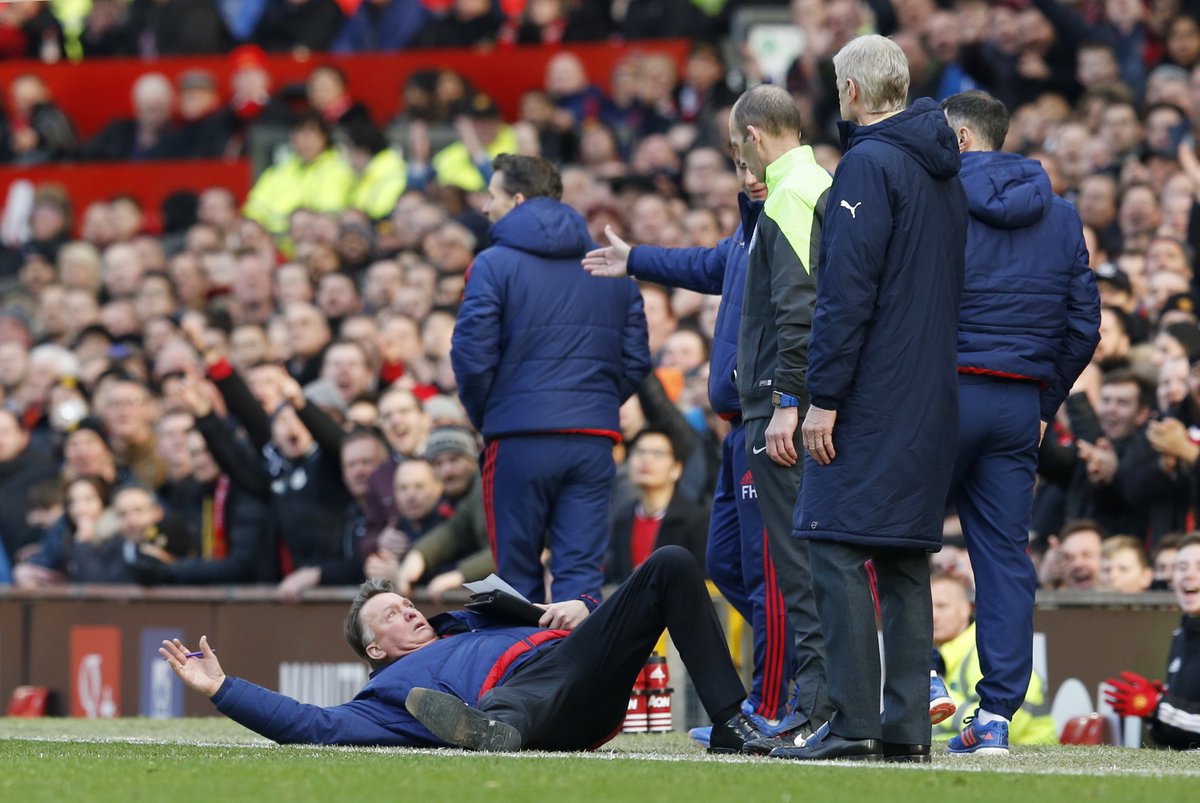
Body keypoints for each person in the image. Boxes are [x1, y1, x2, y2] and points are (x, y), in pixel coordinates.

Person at [772, 35, 968, 763]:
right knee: (905, 558)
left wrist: (823, 397)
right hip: (930, 389)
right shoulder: (944, 169)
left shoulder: (867, 163)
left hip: (872, 391)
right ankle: (908, 730)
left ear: (851, 91)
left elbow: (846, 293)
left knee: (831, 541)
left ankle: (852, 721)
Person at [582, 157, 803, 737]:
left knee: (771, 575)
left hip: (768, 419)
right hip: (736, 426)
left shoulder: (793, 224)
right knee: (726, 561)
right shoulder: (745, 237)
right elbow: (703, 264)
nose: (749, 176)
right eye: (741, 165)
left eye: (757, 163)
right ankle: (808, 667)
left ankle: (772, 708)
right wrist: (635, 258)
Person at [162, 546, 769, 753]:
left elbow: (571, 626)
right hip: (531, 705)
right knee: (515, 695)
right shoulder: (387, 694)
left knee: (672, 564)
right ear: (374, 649)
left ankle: (728, 722)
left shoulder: (479, 621)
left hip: (580, 669)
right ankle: (492, 730)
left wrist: (580, 609)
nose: (408, 611)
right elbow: (311, 726)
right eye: (390, 615)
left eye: (406, 603)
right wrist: (222, 689)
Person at [937, 91, 1101, 755]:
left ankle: (915, 679)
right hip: (1016, 406)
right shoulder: (1061, 215)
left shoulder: (935, 199)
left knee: (890, 532)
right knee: (1004, 559)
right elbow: (1084, 325)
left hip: (941, 395)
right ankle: (996, 716)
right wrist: (1042, 403)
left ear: (962, 140)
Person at [450, 154, 650, 606]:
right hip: (592, 439)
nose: (485, 207)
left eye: (493, 196)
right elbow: (637, 359)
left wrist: (492, 414)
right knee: (580, 582)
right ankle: (578, 657)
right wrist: (592, 402)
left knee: (515, 580)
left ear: (518, 200)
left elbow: (470, 356)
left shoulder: (491, 264)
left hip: (517, 438)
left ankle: (524, 657)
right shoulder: (610, 267)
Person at [726, 83, 835, 737]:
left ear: (754, 136)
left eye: (738, 151)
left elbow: (800, 309)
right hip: (802, 398)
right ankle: (826, 702)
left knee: (800, 566)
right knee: (819, 560)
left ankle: (815, 707)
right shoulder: (820, 183)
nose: (741, 165)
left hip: (783, 405)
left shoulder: (790, 193)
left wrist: (785, 402)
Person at [931, 574, 1057, 746]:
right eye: (927, 607)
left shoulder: (983, 650)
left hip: (1030, 754)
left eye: (942, 606)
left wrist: (940, 703)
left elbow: (1004, 727)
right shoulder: (945, 655)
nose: (933, 615)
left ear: (966, 609)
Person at [1104, 534, 1200, 750]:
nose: (1189, 575)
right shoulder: (1181, 635)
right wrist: (1152, 712)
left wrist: (1158, 707)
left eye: (1199, 567)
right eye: (1182, 567)